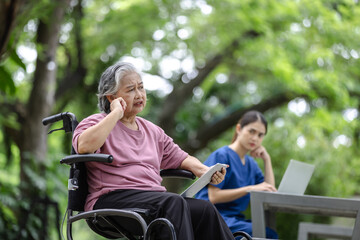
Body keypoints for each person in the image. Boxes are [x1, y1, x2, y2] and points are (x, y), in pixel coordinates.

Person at [72, 61, 235, 240]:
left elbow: (181, 157)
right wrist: (116, 114)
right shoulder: (96, 122)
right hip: (111, 198)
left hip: (152, 199)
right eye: (131, 89)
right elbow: (83, 146)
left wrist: (206, 172)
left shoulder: (152, 131)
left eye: (141, 87)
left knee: (204, 209)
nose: (139, 94)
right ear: (111, 98)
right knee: (173, 203)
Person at [195, 111, 279, 239]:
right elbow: (213, 196)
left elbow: (269, 191)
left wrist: (267, 160)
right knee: (264, 234)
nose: (255, 138)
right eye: (251, 131)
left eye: (260, 135)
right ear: (239, 128)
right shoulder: (222, 155)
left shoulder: (251, 164)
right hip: (213, 218)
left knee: (269, 233)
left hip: (234, 220)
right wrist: (249, 188)